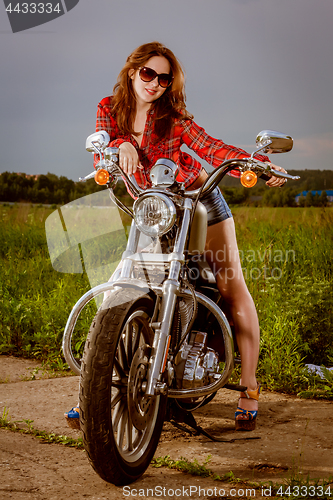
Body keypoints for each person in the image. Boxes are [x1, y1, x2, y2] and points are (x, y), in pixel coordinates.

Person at [65, 41, 286, 431]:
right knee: (119, 289)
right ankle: (94, 392)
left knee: (231, 284)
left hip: (198, 201)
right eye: (148, 73)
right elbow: (101, 153)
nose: (155, 83)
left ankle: (249, 387)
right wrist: (120, 144)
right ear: (133, 72)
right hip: (152, 210)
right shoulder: (108, 108)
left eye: (164, 78)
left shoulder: (173, 117)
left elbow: (211, 147)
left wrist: (258, 162)